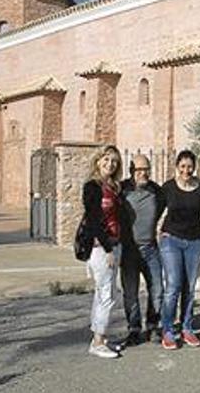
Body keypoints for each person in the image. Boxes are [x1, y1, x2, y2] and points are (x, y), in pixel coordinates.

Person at [159, 150, 200, 350]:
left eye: (189, 166)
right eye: (182, 166)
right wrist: (157, 232)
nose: (186, 170)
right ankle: (168, 330)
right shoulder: (168, 188)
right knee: (173, 286)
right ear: (177, 167)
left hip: (195, 241)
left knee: (189, 286)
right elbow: (156, 211)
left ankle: (187, 328)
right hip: (171, 240)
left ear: (194, 167)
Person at [82, 145, 125, 359]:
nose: (110, 164)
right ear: (98, 161)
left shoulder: (114, 187)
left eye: (114, 161)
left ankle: (99, 336)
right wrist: (108, 248)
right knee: (107, 295)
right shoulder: (92, 187)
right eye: (106, 160)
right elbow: (93, 221)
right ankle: (98, 342)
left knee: (103, 293)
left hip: (115, 244)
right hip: (101, 249)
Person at [119, 154, 166, 346]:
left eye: (146, 169)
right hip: (128, 250)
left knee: (157, 289)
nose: (143, 173)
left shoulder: (157, 191)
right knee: (130, 292)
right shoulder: (122, 190)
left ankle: (153, 326)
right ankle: (134, 329)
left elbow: (162, 209)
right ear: (131, 171)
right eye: (139, 170)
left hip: (150, 248)